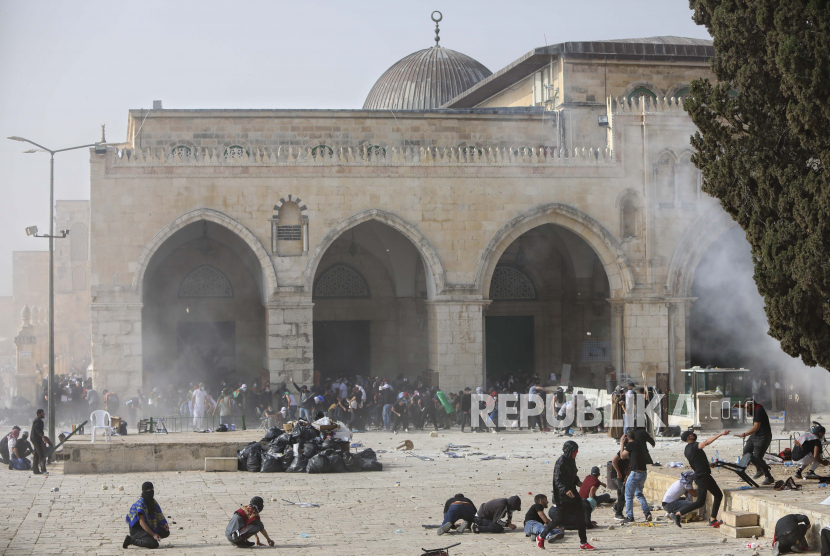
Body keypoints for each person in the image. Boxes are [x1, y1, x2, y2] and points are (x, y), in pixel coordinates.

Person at [671, 429, 731, 528]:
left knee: (718, 495)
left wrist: (708, 465)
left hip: (704, 474)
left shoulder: (687, 449)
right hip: (702, 476)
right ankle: (677, 514)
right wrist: (720, 434)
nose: (693, 434)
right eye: (691, 434)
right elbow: (706, 443)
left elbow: (696, 461)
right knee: (700, 502)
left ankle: (713, 519)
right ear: (688, 437)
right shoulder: (694, 446)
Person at [553, 440, 594, 550]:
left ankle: (583, 542)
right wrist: (566, 490)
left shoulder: (571, 460)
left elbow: (573, 474)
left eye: (577, 452)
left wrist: (577, 482)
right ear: (569, 451)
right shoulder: (560, 462)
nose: (576, 454)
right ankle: (542, 536)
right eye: (574, 452)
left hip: (572, 493)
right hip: (563, 495)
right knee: (558, 520)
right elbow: (557, 480)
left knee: (581, 516)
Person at [738, 398, 775, 485]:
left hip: (763, 437)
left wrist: (744, 434)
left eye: (747, 408)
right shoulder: (754, 407)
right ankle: (758, 470)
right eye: (745, 408)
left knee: (757, 458)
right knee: (746, 452)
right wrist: (739, 406)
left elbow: (756, 427)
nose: (746, 410)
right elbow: (747, 406)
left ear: (752, 405)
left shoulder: (759, 411)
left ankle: (769, 477)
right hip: (755, 436)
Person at [123, 482, 170, 549]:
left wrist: (163, 524)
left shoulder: (152, 501)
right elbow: (142, 522)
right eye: (149, 490)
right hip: (138, 530)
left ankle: (149, 536)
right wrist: (153, 535)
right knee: (153, 544)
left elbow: (157, 514)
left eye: (152, 489)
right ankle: (131, 540)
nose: (151, 492)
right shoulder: (141, 504)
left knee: (165, 531)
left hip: (148, 526)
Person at [619, 429, 651, 523]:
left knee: (628, 496)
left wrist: (622, 444)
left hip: (635, 473)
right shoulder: (639, 444)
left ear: (626, 438)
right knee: (639, 494)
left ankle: (630, 517)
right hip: (643, 473)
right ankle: (647, 513)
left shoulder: (630, 445)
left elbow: (622, 456)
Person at [31, 408, 52, 475]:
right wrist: (43, 437)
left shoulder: (39, 420)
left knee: (37, 454)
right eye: (42, 413)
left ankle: (36, 470)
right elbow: (38, 431)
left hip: (36, 439)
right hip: (36, 440)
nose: (44, 414)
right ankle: (43, 470)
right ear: (39, 414)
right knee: (41, 455)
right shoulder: (38, 421)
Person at [610, 450, 629, 521]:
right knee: (622, 493)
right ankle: (618, 514)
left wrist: (626, 476)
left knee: (622, 493)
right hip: (616, 475)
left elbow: (629, 467)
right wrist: (618, 472)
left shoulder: (632, 453)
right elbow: (614, 461)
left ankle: (616, 507)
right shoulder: (622, 452)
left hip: (623, 476)